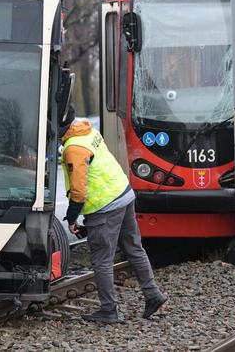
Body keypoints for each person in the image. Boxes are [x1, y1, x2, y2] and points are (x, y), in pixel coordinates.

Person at [59, 105, 167, 323]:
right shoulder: (88, 131)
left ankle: (109, 310)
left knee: (101, 260)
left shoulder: (73, 148)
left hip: (105, 205)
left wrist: (72, 217)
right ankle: (153, 294)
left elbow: (79, 192)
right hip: (123, 195)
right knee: (134, 248)